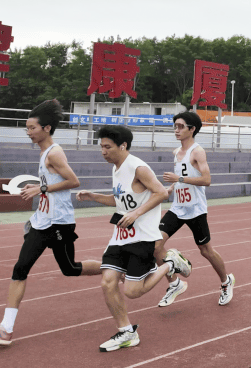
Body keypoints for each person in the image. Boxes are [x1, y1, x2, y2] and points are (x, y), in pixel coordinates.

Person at [0, 99, 103, 347]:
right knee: (20, 269)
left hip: (59, 224)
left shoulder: (54, 152)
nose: (28, 132)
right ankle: (5, 329)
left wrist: (40, 188)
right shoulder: (44, 152)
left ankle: (113, 269)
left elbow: (73, 181)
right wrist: (40, 195)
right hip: (42, 222)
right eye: (26, 128)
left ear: (46, 128)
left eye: (32, 128)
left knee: (70, 269)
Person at [76, 125, 193, 352]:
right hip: (119, 237)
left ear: (123, 146)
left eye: (107, 147)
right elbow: (121, 202)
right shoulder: (117, 168)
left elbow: (160, 192)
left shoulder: (138, 167)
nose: (103, 151)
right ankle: (126, 332)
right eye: (101, 147)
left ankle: (171, 262)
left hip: (142, 237)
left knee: (132, 292)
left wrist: (136, 214)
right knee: (108, 282)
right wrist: (94, 196)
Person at [153, 111, 234, 308]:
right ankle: (175, 283)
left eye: (181, 127)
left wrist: (178, 179)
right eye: (175, 126)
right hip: (178, 208)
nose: (176, 130)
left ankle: (226, 281)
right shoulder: (176, 152)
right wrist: (171, 188)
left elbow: (206, 180)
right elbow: (181, 178)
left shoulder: (197, 152)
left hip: (196, 210)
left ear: (192, 129)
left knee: (205, 250)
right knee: (154, 246)